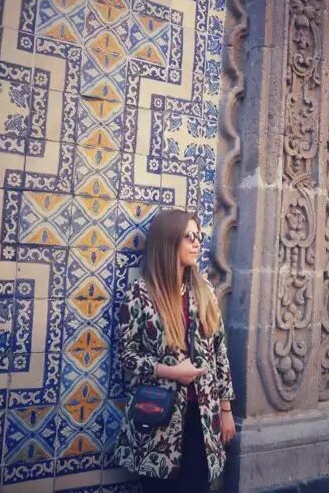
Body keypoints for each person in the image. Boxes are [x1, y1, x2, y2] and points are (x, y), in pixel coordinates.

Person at [114, 209, 236, 493]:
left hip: (202, 417)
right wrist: (170, 371)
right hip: (159, 419)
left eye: (198, 236)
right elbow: (126, 356)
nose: (197, 243)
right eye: (189, 236)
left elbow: (220, 352)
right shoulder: (140, 294)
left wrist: (226, 409)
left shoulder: (204, 290)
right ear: (168, 241)